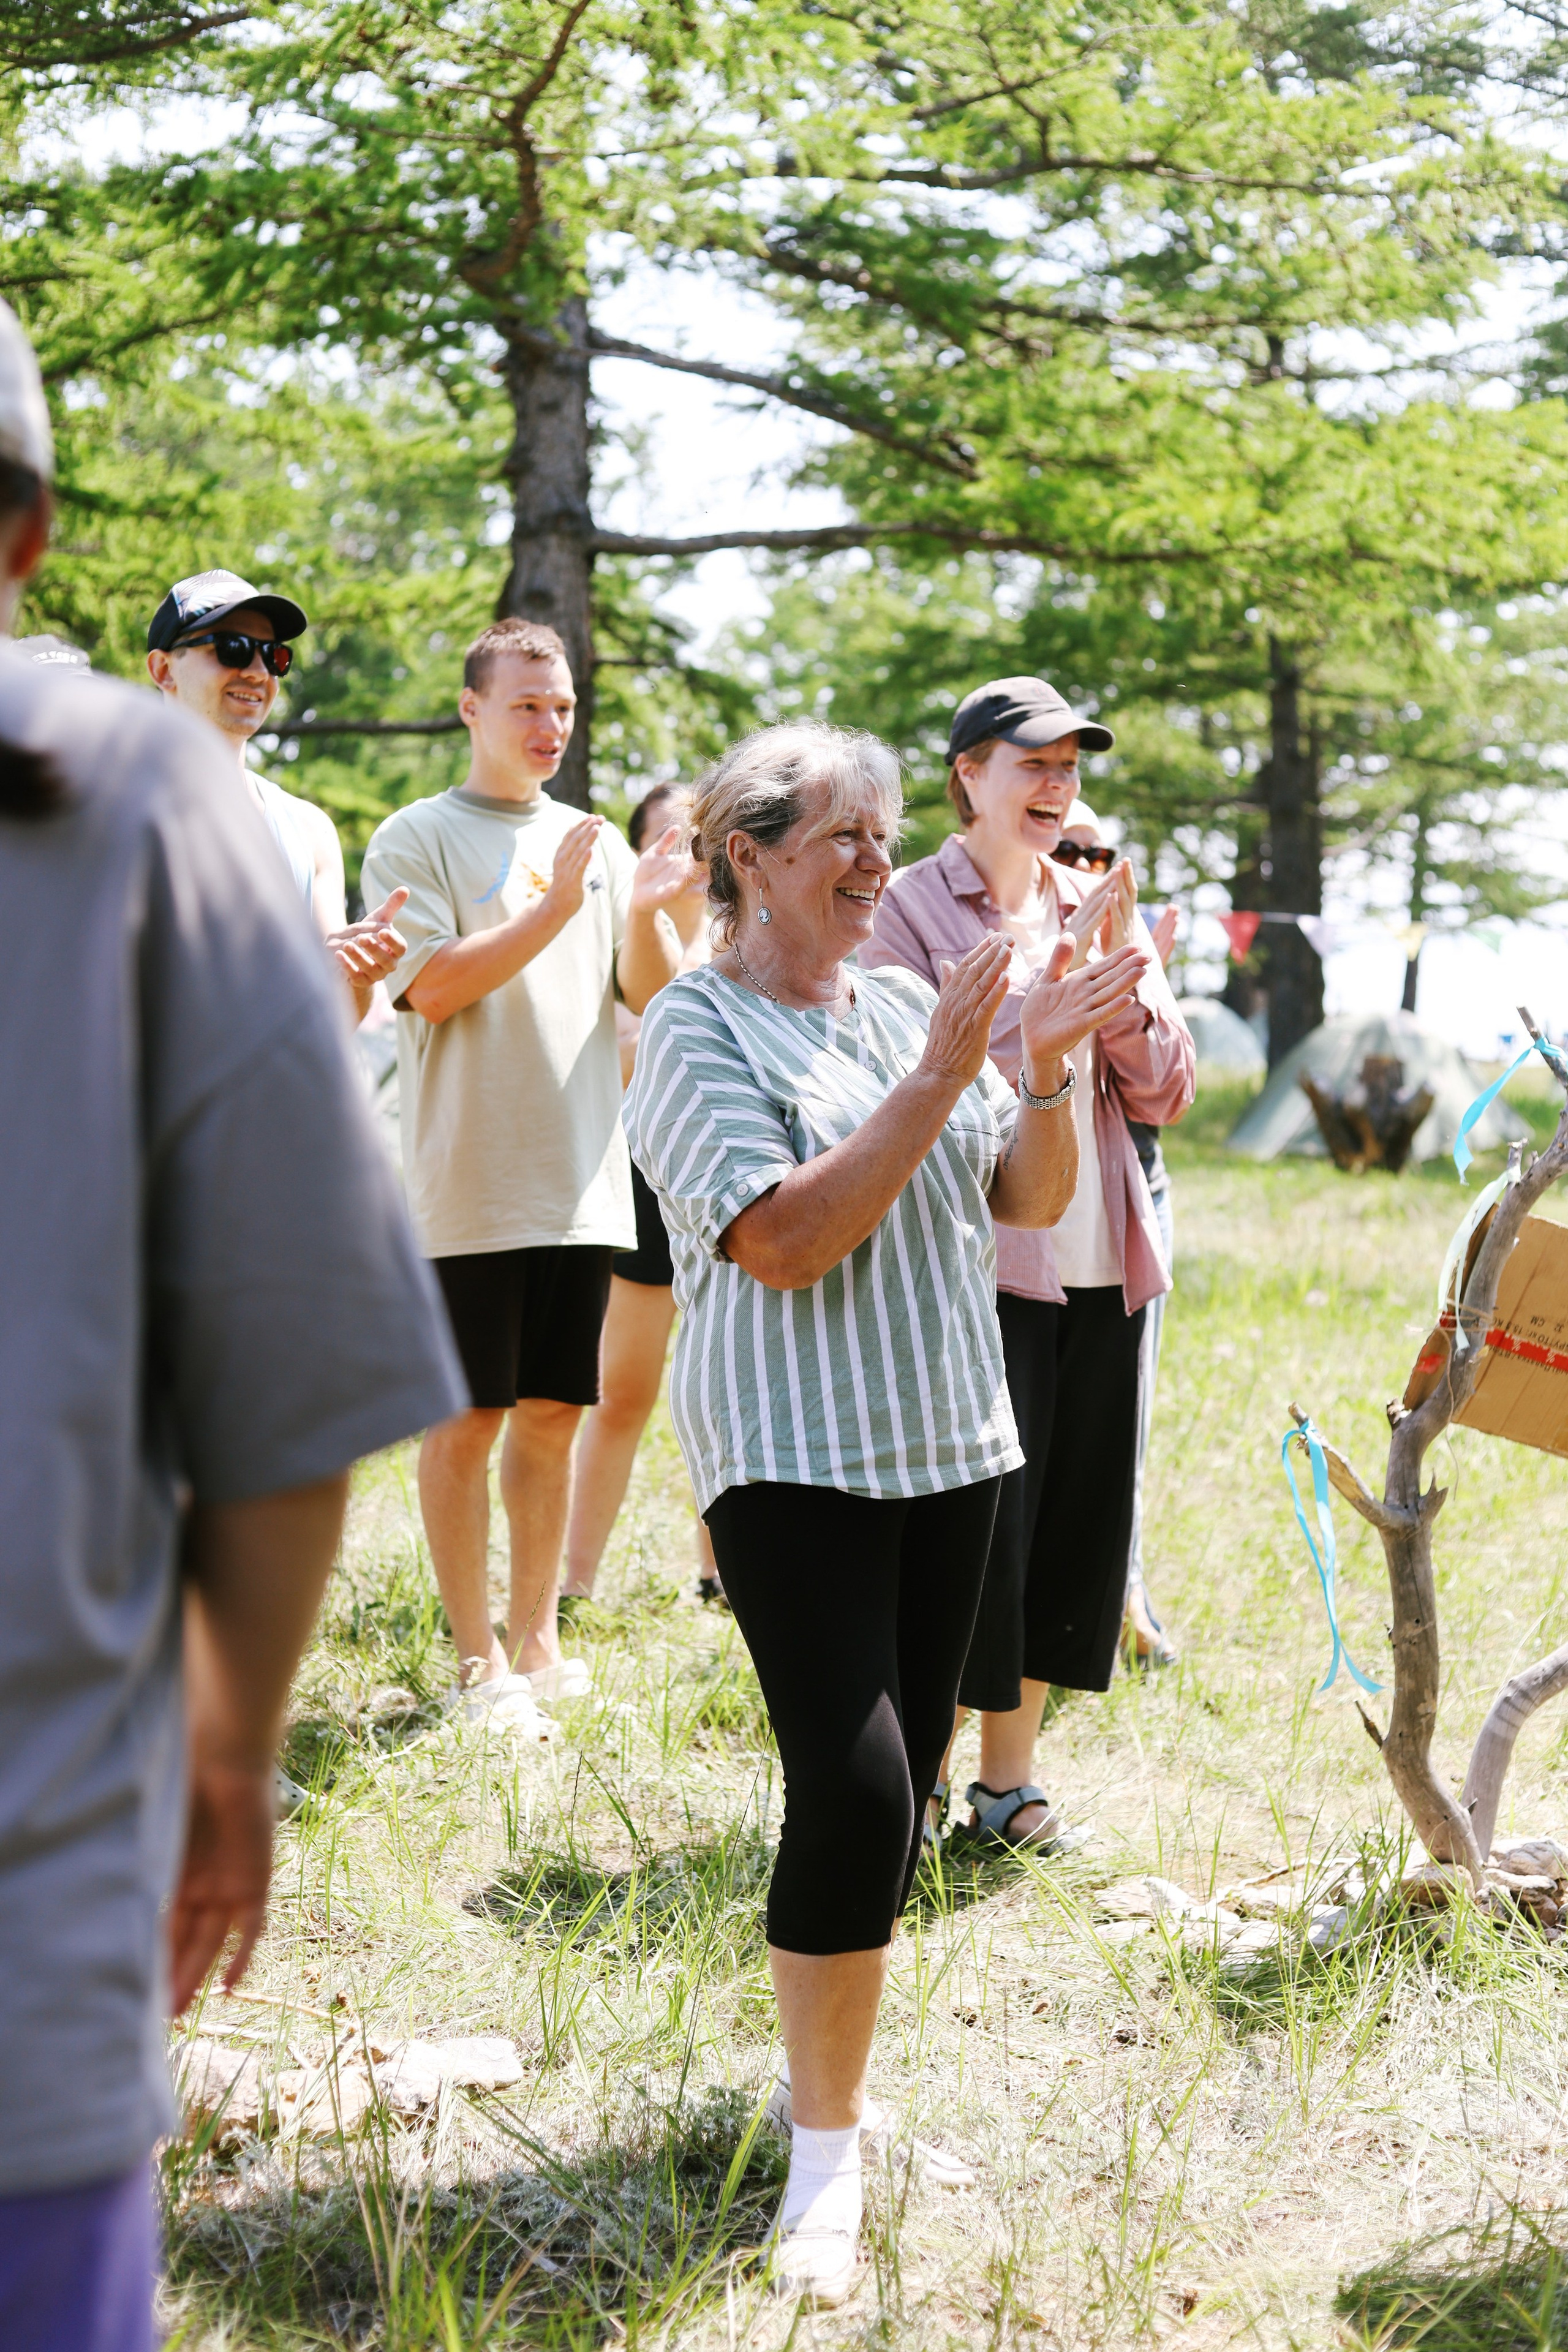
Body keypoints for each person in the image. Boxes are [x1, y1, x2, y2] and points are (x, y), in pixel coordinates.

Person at [0, 298, 466, 2352]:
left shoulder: (234, 817)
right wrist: (230, 1748)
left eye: (282, 654)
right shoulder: (128, 800)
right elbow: (287, 1388)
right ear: (33, 537)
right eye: (236, 651)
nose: (262, 680)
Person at [624, 722, 1148, 2305]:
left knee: (908, 1802)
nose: (874, 862)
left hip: (951, 1445)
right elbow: (782, 1240)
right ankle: (823, 2162)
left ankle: (834, 2086)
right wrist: (942, 1075)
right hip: (790, 1457)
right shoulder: (694, 1033)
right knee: (851, 1796)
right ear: (747, 854)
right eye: (841, 837)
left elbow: (1029, 1198)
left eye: (879, 834)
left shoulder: (914, 1004)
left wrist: (1041, 1063)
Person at [864, 677, 1194, 1852]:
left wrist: (1108, 998)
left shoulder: (1101, 902)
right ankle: (918, 1785)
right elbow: (900, 1071)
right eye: (1033, 764)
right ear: (970, 775)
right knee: (976, 1530)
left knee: (1070, 1523)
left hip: (1105, 1259)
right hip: (981, 1260)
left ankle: (1013, 1788)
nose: (1058, 788)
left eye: (1070, 767)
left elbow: (1167, 1088)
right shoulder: (906, 906)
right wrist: (1040, 1019)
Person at [360, 618, 693, 1725]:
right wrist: (555, 908)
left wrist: (637, 906)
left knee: (553, 1413)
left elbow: (645, 994)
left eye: (563, 709)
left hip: (582, 1185)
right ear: (473, 710)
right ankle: (471, 1662)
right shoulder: (418, 836)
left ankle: (537, 1640)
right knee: (468, 1421)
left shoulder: (591, 844)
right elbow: (431, 988)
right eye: (527, 707)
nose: (551, 726)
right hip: (468, 1190)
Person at [560, 781, 724, 1613]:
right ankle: (575, 1581)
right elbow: (618, 1064)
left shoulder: (745, 944)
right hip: (641, 1192)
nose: (684, 857)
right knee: (621, 1390)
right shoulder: (615, 950)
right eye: (665, 838)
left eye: (700, 838)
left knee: (728, 1390)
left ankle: (721, 1574)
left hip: (730, 1191)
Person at [146, 569, 407, 1023]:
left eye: (275, 656)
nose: (257, 671)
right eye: (231, 648)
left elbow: (337, 1021)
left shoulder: (307, 830)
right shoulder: (105, 806)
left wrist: (355, 975)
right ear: (163, 669)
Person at [1058, 798, 1182, 1669]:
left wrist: (1131, 979)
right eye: (1068, 849)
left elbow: (1166, 1090)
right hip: (1022, 1218)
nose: (1084, 868)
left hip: (1131, 1197)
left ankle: (1121, 1596)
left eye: (1099, 854)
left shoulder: (1127, 940)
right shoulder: (995, 928)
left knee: (1117, 1424)